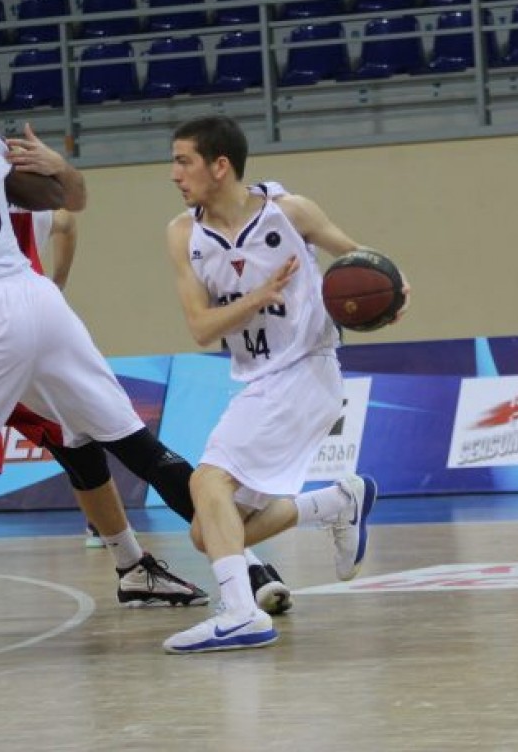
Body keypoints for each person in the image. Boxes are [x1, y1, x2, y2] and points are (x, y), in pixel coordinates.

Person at [0, 56, 208, 630]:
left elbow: (69, 216)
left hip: (25, 325)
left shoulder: (2, 157)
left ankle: (132, 565)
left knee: (81, 445)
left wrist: (54, 281)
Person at [161, 115, 409, 654]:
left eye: (184, 161)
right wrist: (258, 297)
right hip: (260, 381)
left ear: (219, 166)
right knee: (208, 532)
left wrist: (392, 288)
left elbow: (359, 258)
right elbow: (201, 327)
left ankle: (240, 614)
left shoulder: (290, 211)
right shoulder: (183, 234)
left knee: (208, 482)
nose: (174, 174)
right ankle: (338, 502)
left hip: (307, 368)